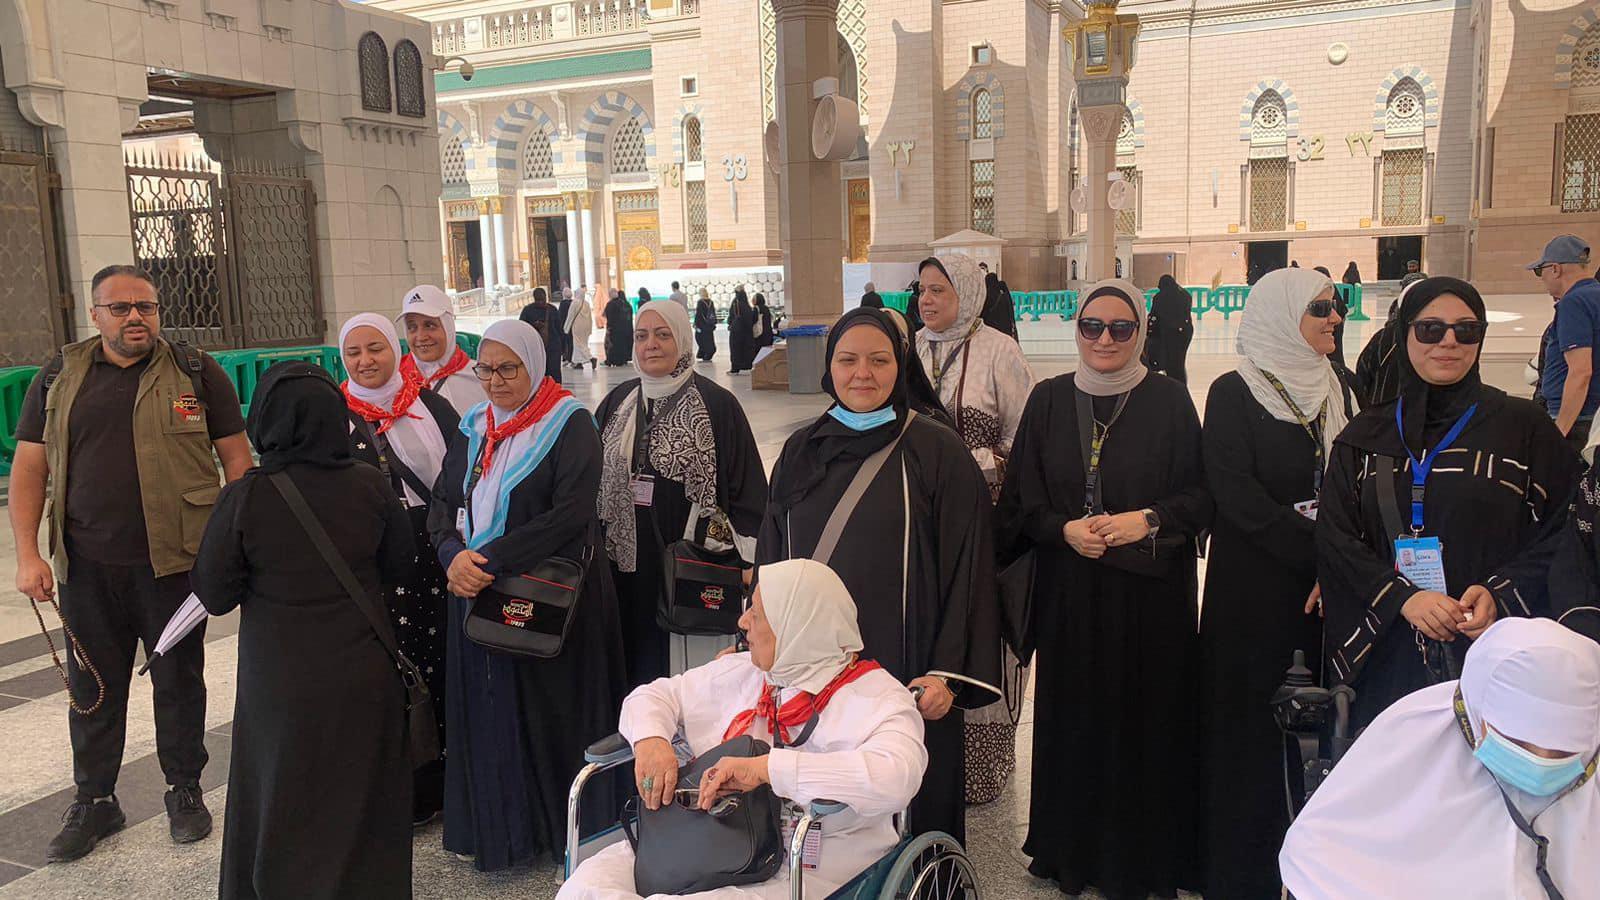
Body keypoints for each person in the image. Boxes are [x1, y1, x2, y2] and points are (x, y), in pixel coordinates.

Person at [9, 264, 253, 862]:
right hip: (86, 568)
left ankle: (184, 790)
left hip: (175, 568)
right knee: (92, 688)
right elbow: (30, 469)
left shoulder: (196, 370)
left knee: (179, 683)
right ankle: (95, 800)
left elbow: (237, 462)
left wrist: (234, 549)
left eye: (145, 306)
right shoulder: (58, 376)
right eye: (120, 308)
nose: (135, 317)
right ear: (95, 314)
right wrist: (27, 555)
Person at [999, 278, 1212, 900]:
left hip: (1150, 602)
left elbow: (1203, 496)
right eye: (1092, 326)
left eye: (1122, 328)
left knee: (1149, 719)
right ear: (1077, 330)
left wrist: (1147, 519)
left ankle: (1146, 859)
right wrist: (1062, 529)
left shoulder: (1169, 401)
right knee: (1076, 721)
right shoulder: (1048, 400)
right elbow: (1019, 503)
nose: (1105, 339)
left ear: (1141, 332)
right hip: (1071, 596)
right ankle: (1073, 853)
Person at [758, 307, 1002, 844]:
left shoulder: (936, 451)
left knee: (903, 796)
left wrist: (947, 674)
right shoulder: (801, 450)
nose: (862, 373)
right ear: (829, 367)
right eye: (847, 360)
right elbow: (771, 560)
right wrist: (757, 634)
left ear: (901, 365)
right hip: (812, 672)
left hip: (907, 668)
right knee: (818, 801)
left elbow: (969, 569)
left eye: (879, 360)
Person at [556, 560, 928, 900]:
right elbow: (653, 696)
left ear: (798, 627)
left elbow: (897, 776)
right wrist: (651, 739)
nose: (742, 621)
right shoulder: (747, 672)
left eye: (758, 614)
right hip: (711, 836)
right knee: (585, 888)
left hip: (812, 864)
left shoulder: (878, 698)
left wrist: (767, 770)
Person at [192, 362, 416, 900]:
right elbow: (401, 567)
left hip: (281, 682)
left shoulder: (247, 497)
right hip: (363, 673)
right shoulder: (370, 484)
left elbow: (215, 594)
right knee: (363, 795)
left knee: (280, 792)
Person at [1317, 277, 1580, 730]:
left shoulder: (1524, 429)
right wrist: (1404, 598)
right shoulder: (1365, 435)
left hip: (1493, 652)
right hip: (1388, 654)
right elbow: (1336, 536)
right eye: (1431, 329)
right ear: (1404, 335)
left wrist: (1500, 593)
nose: (1449, 342)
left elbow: (1569, 527)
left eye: (1467, 330)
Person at [427, 320, 627, 871]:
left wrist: (487, 561)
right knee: (490, 713)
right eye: (485, 369)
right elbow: (443, 500)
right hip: (475, 588)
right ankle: (502, 834)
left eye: (507, 369)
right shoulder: (475, 426)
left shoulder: (569, 424)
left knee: (544, 713)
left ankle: (558, 831)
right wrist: (451, 554)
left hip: (544, 599)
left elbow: (570, 515)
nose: (495, 381)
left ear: (535, 366)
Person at [1197, 268, 1352, 899]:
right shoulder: (1235, 392)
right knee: (1250, 723)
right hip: (1252, 588)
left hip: (1322, 590)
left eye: (1337, 306)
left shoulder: (1337, 386)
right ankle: (1244, 868)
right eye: (1320, 308)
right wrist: (1321, 551)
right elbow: (1235, 495)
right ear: (1282, 316)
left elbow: (1352, 486)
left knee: (1318, 719)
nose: (1335, 318)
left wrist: (1337, 562)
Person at [1280, 617, 1600, 899]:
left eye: (1563, 751)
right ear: (1475, 710)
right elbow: (1320, 857)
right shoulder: (1411, 739)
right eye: (1518, 742)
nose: (1541, 761)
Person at [913, 254, 1034, 804]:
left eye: (940, 289)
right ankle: (917, 757)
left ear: (967, 293)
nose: (927, 300)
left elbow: (1025, 440)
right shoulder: (910, 348)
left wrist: (973, 464)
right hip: (920, 525)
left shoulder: (998, 351)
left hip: (983, 525)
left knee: (979, 627)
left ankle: (980, 767)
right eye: (922, 290)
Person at [596, 300, 768, 685]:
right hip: (624, 568)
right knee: (633, 663)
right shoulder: (618, 401)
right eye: (642, 336)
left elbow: (747, 487)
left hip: (690, 566)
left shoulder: (716, 404)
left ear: (683, 339)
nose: (650, 345)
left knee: (686, 675)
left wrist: (747, 563)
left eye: (663, 335)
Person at [338, 312, 459, 825]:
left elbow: (461, 475)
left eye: (376, 349)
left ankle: (447, 783)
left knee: (442, 663)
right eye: (353, 353)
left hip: (436, 556)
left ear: (394, 350)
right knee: (389, 674)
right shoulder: (334, 415)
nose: (366, 361)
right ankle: (399, 790)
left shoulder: (431, 407)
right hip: (374, 566)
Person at [1532, 235, 1600, 452]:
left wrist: (1559, 432)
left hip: (1577, 420)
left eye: (1539, 270)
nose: (1542, 278)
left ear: (1555, 269)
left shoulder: (1574, 302)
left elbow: (1581, 372)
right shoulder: (1595, 296)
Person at [398, 284, 481, 415]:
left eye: (429, 325)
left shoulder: (481, 379)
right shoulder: (395, 381)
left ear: (448, 327)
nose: (421, 337)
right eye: (412, 327)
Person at [1146, 275, 1195, 383]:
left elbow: (1155, 315)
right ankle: (1180, 384)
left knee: (1169, 361)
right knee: (1179, 362)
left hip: (1168, 333)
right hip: (1184, 332)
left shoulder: (1159, 297)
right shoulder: (1185, 294)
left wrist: (1149, 331)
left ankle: (1173, 384)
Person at [517, 287, 565, 384]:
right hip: (535, 347)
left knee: (554, 371)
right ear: (534, 299)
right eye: (538, 300)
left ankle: (556, 389)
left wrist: (563, 347)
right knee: (539, 372)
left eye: (542, 300)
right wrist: (533, 326)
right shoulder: (528, 310)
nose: (541, 302)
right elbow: (521, 328)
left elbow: (559, 329)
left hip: (552, 347)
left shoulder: (552, 309)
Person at [979, 271, 1018, 341]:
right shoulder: (1004, 296)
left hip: (990, 332)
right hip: (1005, 331)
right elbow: (1010, 313)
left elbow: (982, 315)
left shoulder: (986, 298)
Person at [727, 286, 756, 375]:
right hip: (746, 331)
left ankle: (735, 368)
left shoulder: (735, 302)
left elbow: (731, 316)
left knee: (735, 349)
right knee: (746, 348)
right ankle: (746, 366)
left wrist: (730, 324)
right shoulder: (746, 303)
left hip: (736, 331)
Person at [566, 285, 596, 371]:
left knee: (578, 344)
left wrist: (566, 327)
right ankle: (578, 362)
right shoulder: (586, 303)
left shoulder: (575, 302)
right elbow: (590, 317)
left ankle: (591, 358)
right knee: (583, 344)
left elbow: (570, 315)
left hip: (577, 327)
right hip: (585, 327)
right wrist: (590, 328)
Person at [604, 289, 634, 367]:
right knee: (622, 344)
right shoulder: (624, 303)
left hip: (614, 329)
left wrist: (609, 328)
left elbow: (609, 317)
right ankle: (622, 359)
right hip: (624, 328)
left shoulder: (610, 304)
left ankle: (613, 360)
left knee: (613, 345)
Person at [693, 288, 718, 361]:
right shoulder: (711, 302)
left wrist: (695, 324)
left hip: (702, 325)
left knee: (699, 338)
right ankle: (706, 354)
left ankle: (704, 354)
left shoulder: (700, 302)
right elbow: (713, 312)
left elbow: (698, 314)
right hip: (709, 325)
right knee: (709, 339)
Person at [557, 288, 575, 365]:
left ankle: (566, 357)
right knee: (571, 341)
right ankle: (571, 357)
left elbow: (560, 315)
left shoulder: (563, 303)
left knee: (566, 342)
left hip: (565, 325)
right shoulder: (573, 302)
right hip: (573, 325)